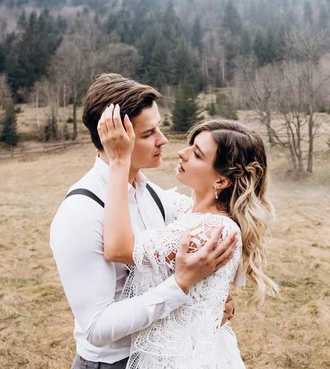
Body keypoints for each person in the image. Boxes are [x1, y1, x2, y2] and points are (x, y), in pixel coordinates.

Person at [50, 74, 237, 369]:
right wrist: (181, 286)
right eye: (149, 133)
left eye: (158, 127)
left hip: (161, 356)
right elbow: (96, 329)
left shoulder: (151, 194)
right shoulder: (80, 212)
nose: (163, 140)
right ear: (115, 139)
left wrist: (207, 305)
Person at [97, 104, 279, 368]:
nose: (181, 153)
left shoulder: (211, 231)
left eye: (196, 154)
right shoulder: (190, 211)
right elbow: (145, 190)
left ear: (221, 181)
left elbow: (118, 249)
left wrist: (119, 162)